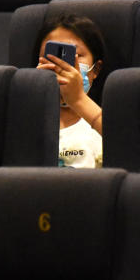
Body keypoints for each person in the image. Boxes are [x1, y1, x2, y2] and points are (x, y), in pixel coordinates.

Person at [34, 14, 105, 168]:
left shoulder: (107, 121)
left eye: (75, 55)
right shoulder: (21, 119)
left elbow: (129, 148)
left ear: (96, 69)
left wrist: (78, 99)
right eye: (51, 57)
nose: (62, 66)